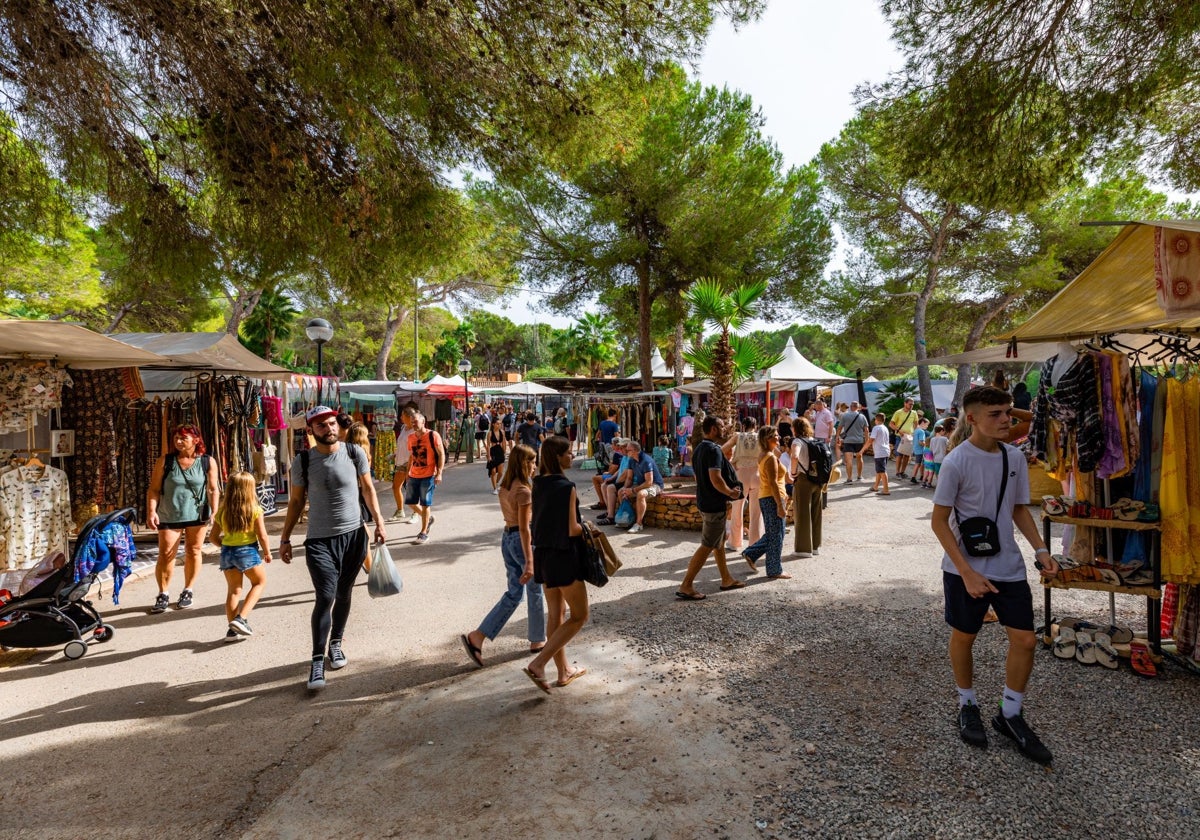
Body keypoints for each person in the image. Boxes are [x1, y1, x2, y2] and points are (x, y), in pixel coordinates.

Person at [931, 385, 1060, 765]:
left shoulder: (1015, 458)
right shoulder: (957, 461)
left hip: (1007, 565)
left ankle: (1010, 713)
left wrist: (1040, 550)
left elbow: (1020, 510)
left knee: (1024, 640)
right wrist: (967, 573)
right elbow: (939, 523)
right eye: (996, 414)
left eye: (1008, 413)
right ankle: (967, 703)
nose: (1006, 420)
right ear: (971, 418)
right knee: (965, 636)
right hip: (964, 568)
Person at [280, 406, 387, 691]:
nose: (329, 429)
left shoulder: (355, 453)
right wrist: (285, 538)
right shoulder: (303, 461)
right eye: (321, 426)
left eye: (331, 423)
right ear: (311, 431)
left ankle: (336, 643)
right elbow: (295, 502)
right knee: (325, 594)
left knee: (344, 592)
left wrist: (379, 522)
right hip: (319, 541)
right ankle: (317, 661)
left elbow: (368, 489)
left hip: (353, 537)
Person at [461, 444, 546, 666]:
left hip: (507, 538)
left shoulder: (506, 486)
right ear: (524, 463)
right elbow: (526, 527)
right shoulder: (523, 490)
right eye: (532, 461)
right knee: (535, 590)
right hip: (520, 539)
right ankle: (537, 639)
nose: (535, 465)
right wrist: (529, 561)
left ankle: (478, 636)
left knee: (514, 593)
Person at [522, 435, 589, 693]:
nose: (571, 456)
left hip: (544, 556)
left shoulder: (538, 483)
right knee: (580, 615)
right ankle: (539, 664)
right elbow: (572, 528)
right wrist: (587, 528)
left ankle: (564, 671)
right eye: (569, 452)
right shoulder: (566, 486)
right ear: (558, 457)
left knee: (556, 614)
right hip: (564, 555)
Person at [146, 425, 221, 614]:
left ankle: (188, 590)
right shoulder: (165, 461)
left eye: (183, 438)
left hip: (197, 514)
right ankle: (163, 593)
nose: (178, 441)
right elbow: (154, 489)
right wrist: (152, 511)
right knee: (166, 553)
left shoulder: (207, 461)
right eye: (176, 438)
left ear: (196, 441)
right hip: (169, 514)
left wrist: (215, 511)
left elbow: (213, 488)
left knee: (194, 551)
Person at [677, 416, 745, 598]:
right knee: (707, 545)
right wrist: (730, 493)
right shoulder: (713, 450)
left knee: (719, 543)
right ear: (713, 429)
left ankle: (726, 578)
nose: (725, 429)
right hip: (714, 505)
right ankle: (686, 585)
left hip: (705, 501)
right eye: (722, 426)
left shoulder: (699, 448)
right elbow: (715, 478)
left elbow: (699, 478)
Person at [209, 471, 271, 641]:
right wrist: (267, 552)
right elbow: (262, 535)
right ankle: (241, 618)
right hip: (247, 551)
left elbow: (212, 538)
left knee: (234, 591)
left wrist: (227, 546)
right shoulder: (255, 510)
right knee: (259, 582)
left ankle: (232, 631)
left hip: (227, 553)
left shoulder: (222, 512)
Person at [739, 426, 790, 580]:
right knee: (777, 535)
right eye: (775, 436)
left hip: (767, 497)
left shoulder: (767, 455)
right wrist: (780, 506)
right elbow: (773, 483)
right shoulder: (770, 458)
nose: (779, 437)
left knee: (775, 533)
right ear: (767, 439)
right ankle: (774, 569)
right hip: (772, 497)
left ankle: (751, 553)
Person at [724, 416, 762, 553]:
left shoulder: (737, 436)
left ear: (743, 426)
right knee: (756, 511)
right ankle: (755, 543)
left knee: (737, 509)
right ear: (755, 426)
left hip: (741, 475)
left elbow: (723, 449)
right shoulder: (760, 437)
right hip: (757, 474)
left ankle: (735, 542)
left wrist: (730, 465)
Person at [406, 412, 445, 544]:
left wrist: (439, 472)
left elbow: (441, 454)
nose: (413, 423)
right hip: (413, 474)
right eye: (412, 421)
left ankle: (424, 532)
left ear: (423, 421)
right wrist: (407, 473)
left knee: (425, 504)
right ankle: (427, 518)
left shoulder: (433, 435)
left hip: (428, 475)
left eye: (415, 421)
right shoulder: (410, 437)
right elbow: (411, 456)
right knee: (411, 502)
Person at [788, 417, 822, 559]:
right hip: (817, 479)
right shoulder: (813, 440)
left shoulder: (797, 441)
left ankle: (803, 549)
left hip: (803, 479)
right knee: (816, 513)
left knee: (802, 513)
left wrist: (793, 472)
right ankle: (815, 546)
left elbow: (794, 456)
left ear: (795, 428)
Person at [617, 441, 664, 534]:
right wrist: (625, 489)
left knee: (641, 494)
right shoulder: (631, 460)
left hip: (655, 485)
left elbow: (649, 482)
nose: (626, 452)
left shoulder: (646, 461)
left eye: (628, 450)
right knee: (621, 492)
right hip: (642, 484)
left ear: (634, 451)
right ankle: (626, 519)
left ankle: (639, 524)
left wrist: (633, 490)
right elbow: (629, 478)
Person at [346, 422, 375, 571]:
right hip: (358, 493)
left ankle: (367, 566)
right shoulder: (362, 452)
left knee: (361, 533)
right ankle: (369, 568)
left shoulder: (344, 450)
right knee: (365, 535)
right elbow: (367, 483)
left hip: (351, 493)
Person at [390, 406, 417, 523]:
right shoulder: (403, 428)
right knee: (396, 487)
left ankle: (416, 513)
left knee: (411, 489)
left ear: (408, 417)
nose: (400, 417)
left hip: (411, 463)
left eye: (402, 415)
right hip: (400, 462)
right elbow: (400, 444)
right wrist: (394, 454)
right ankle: (400, 510)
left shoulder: (415, 431)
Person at [835, 401, 868, 484]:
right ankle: (859, 476)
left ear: (850, 407)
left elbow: (839, 428)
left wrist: (837, 438)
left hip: (848, 441)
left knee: (849, 460)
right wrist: (867, 442)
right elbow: (866, 430)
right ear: (857, 407)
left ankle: (849, 479)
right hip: (859, 441)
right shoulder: (862, 417)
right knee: (859, 458)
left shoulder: (845, 416)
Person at [889, 398, 919, 478]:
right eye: (910, 404)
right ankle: (897, 472)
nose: (911, 406)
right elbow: (891, 424)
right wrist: (899, 430)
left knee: (907, 455)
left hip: (910, 437)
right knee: (899, 455)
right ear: (905, 403)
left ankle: (902, 472)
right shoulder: (898, 412)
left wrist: (915, 434)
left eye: (912, 404)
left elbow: (916, 424)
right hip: (900, 436)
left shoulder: (914, 413)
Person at [485, 409, 508, 494]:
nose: (499, 425)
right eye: (497, 424)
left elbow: (504, 442)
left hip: (500, 451)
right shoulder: (490, 433)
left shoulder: (502, 432)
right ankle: (495, 488)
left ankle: (497, 483)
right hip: (493, 451)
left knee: (501, 472)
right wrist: (488, 456)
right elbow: (488, 445)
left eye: (500, 424)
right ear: (493, 424)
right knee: (493, 471)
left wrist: (504, 452)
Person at [869, 412, 891, 495]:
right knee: (879, 471)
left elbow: (871, 439)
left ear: (876, 420)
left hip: (880, 452)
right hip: (885, 451)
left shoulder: (876, 428)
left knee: (882, 471)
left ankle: (886, 490)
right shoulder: (885, 428)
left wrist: (863, 449)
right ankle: (875, 486)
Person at [926, 422, 950, 489]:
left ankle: (939, 484)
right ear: (941, 431)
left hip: (935, 458)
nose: (944, 433)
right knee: (944, 473)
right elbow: (949, 446)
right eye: (943, 431)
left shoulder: (932, 439)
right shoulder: (945, 439)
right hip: (943, 458)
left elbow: (930, 449)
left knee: (937, 472)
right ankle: (943, 485)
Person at [911, 416, 931, 486]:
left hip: (916, 449)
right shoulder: (922, 431)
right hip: (920, 450)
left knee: (920, 463)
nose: (927, 426)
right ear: (922, 423)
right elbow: (920, 442)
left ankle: (922, 476)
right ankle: (913, 477)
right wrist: (927, 445)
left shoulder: (916, 430)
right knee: (918, 463)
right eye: (927, 424)